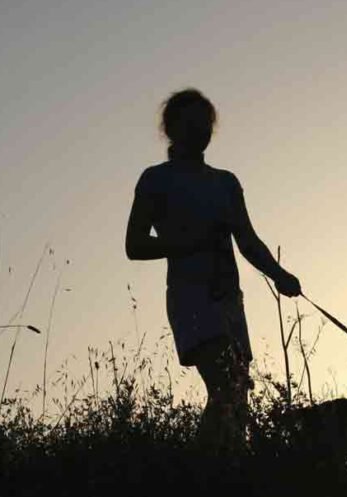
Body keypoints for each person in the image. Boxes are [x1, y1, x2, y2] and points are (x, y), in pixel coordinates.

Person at [126, 88, 301, 453]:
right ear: (171, 128)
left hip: (229, 300)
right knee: (226, 385)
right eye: (191, 123)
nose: (200, 130)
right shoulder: (156, 180)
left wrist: (279, 274)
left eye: (205, 123)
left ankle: (229, 471)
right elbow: (135, 245)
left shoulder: (225, 182)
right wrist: (190, 242)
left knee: (238, 392)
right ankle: (203, 473)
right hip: (191, 296)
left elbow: (248, 240)